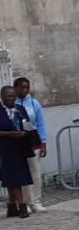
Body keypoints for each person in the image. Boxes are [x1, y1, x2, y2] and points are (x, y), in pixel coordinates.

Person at [0, 86, 36, 218]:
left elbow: (27, 124)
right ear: (2, 97)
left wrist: (28, 133)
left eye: (14, 96)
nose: (12, 98)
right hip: (4, 148)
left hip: (20, 147)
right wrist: (11, 134)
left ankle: (12, 207)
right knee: (14, 177)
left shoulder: (19, 109)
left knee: (12, 177)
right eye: (9, 96)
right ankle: (22, 206)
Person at [12, 77, 46, 212]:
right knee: (22, 171)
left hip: (32, 139)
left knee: (35, 171)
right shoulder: (10, 103)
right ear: (15, 88)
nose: (24, 90)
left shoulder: (34, 103)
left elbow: (40, 123)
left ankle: (36, 200)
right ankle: (24, 201)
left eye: (27, 87)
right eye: (21, 87)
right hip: (17, 140)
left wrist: (43, 142)